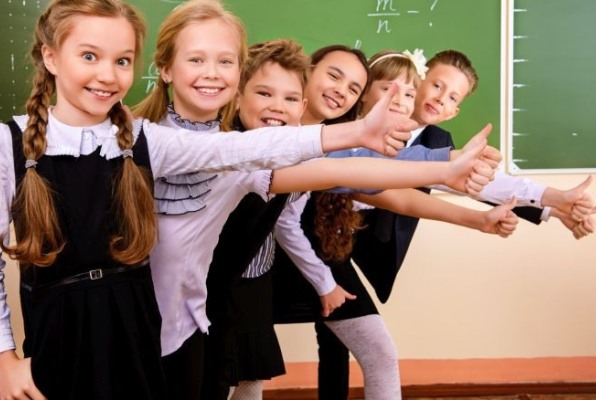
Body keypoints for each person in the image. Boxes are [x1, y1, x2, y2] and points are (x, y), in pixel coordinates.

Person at [0, 1, 484, 398]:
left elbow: (285, 156)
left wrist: (433, 165)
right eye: (89, 56)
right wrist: (5, 358)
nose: (107, 74)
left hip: (163, 334)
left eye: (122, 61)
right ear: (50, 57)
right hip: (70, 336)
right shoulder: (36, 143)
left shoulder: (156, 143)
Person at [314, 49, 596, 399]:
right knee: (342, 340)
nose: (439, 99)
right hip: (314, 233)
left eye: (452, 97)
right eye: (436, 85)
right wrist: (553, 202)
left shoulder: (437, 142)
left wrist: (553, 205)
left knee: (350, 337)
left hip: (363, 241)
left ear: (454, 111)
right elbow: (398, 184)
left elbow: (481, 184)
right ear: (418, 81)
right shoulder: (348, 120)